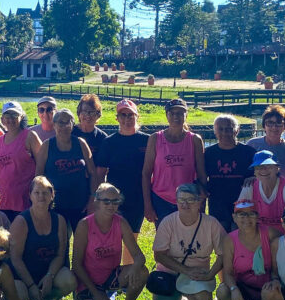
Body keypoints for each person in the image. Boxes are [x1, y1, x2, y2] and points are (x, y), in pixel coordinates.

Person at [72, 184, 150, 300]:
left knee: (142, 272)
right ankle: (82, 299)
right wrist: (96, 293)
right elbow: (76, 264)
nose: (111, 205)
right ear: (96, 201)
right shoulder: (84, 225)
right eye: (106, 201)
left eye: (115, 201)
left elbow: (139, 256)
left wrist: (135, 267)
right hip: (88, 282)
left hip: (110, 276)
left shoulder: (120, 222)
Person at [149, 183, 226, 300]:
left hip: (197, 275)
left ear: (199, 202)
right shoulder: (168, 222)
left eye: (190, 200)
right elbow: (159, 255)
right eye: (181, 200)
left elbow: (223, 254)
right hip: (169, 274)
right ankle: (172, 298)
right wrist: (186, 270)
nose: (185, 204)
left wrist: (210, 274)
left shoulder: (211, 224)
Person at [9, 176, 75, 300]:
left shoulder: (59, 220)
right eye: (37, 192)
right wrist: (31, 285)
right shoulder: (21, 221)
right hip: (23, 274)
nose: (41, 196)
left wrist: (50, 276)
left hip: (46, 271)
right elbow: (15, 258)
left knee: (69, 281)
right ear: (30, 196)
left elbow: (60, 254)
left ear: (52, 196)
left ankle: (44, 299)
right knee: (20, 295)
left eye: (45, 193)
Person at [215, 200, 277, 300]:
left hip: (266, 290)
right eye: (241, 214)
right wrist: (234, 289)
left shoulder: (271, 234)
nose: (246, 218)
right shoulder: (230, 240)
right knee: (222, 291)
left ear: (257, 216)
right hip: (244, 287)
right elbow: (228, 272)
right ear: (234, 218)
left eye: (251, 214)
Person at [143, 98, 207, 226]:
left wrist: (201, 203)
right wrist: (148, 205)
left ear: (186, 115)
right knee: (165, 242)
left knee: (187, 239)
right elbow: (146, 173)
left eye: (180, 113)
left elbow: (201, 174)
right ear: (167, 115)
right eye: (172, 113)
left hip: (188, 199)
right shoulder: (155, 139)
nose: (175, 116)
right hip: (161, 199)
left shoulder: (194, 140)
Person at [95, 99, 150, 240]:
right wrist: (99, 199)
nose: (127, 119)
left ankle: (129, 263)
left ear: (137, 117)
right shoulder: (109, 142)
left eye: (130, 115)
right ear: (117, 118)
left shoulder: (148, 141)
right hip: (114, 198)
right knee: (112, 236)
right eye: (123, 115)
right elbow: (100, 174)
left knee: (132, 238)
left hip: (138, 197)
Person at [35, 109, 95, 233]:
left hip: (80, 204)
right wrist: (41, 202)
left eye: (68, 122)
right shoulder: (46, 146)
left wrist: (92, 200)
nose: (64, 126)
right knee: (60, 243)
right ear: (54, 124)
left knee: (83, 241)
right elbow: (38, 178)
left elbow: (93, 174)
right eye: (61, 123)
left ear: (73, 125)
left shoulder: (81, 143)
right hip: (56, 205)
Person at [204, 114, 255, 231]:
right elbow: (201, 177)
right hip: (218, 206)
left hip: (242, 206)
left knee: (240, 241)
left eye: (229, 129)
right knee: (221, 242)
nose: (225, 133)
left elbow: (260, 174)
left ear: (236, 131)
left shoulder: (249, 152)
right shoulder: (208, 154)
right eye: (220, 129)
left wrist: (254, 178)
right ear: (215, 131)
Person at [236, 150, 285, 234]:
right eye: (258, 167)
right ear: (254, 171)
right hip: (259, 237)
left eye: (268, 166)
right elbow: (241, 216)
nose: (264, 170)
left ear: (277, 169)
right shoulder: (249, 187)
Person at [0, 101, 41, 220]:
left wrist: (37, 192)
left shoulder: (30, 136)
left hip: (24, 200)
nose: (11, 119)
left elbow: (42, 163)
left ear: (21, 117)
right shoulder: (0, 141)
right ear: (2, 119)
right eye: (7, 116)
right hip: (3, 201)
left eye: (14, 115)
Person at [247, 105, 285, 177]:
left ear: (284, 127)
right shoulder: (252, 145)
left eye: (279, 123)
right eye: (270, 123)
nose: (274, 127)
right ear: (264, 126)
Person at [73, 93, 107, 159]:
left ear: (98, 115)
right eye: (85, 111)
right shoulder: (70, 133)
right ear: (79, 113)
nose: (88, 115)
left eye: (92, 112)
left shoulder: (102, 138)